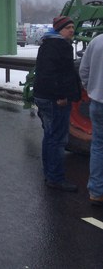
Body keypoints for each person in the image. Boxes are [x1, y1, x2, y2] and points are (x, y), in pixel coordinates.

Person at [33, 16, 81, 192]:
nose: (71, 30)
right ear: (59, 29)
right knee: (58, 139)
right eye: (67, 27)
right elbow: (52, 74)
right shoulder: (59, 46)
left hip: (45, 96)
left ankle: (49, 174)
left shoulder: (48, 43)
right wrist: (60, 95)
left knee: (50, 136)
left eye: (72, 27)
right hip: (55, 99)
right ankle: (56, 178)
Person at [79, 34, 103, 205]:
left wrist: (90, 88)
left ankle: (96, 191)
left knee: (98, 146)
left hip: (97, 103)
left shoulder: (96, 41)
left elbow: (83, 70)